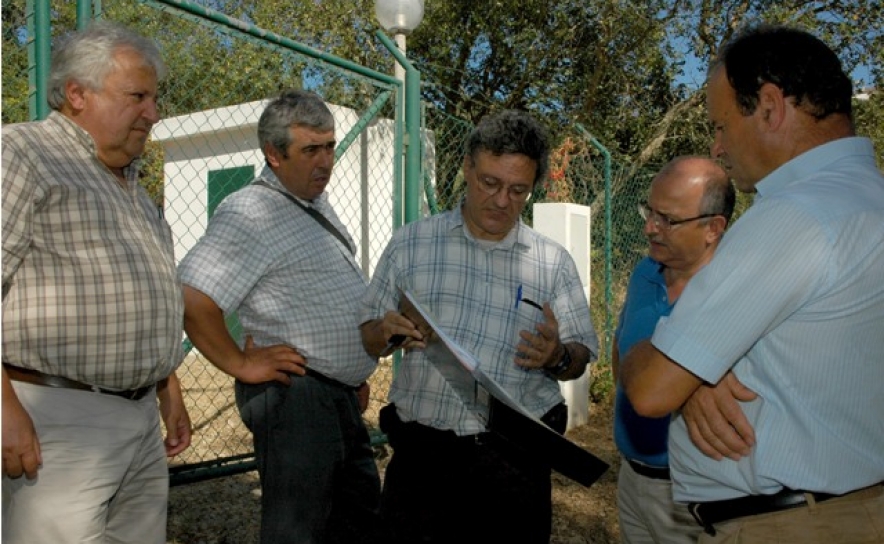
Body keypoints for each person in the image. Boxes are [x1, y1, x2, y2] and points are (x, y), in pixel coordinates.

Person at [621, 24, 884, 544]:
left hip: (792, 525)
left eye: (721, 124)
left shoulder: (793, 215)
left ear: (768, 106)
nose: (718, 147)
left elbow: (650, 389)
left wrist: (674, 368)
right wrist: (695, 373)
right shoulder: (866, 198)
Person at [358, 109, 600, 544]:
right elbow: (369, 338)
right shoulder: (410, 245)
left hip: (514, 465)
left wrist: (558, 356)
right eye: (490, 183)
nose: (502, 200)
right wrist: (386, 331)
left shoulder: (552, 262)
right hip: (422, 462)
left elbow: (579, 358)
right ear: (467, 167)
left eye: (518, 190)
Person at [1, 21, 192, 544]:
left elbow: (148, 296)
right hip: (54, 418)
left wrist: (167, 386)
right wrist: (4, 408)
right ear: (77, 94)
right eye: (137, 96)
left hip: (136, 421)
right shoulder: (23, 153)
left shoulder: (131, 184)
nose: (152, 113)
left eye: (154, 98)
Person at [178, 89, 384, 544]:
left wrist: (349, 374)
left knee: (356, 518)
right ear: (274, 154)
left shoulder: (314, 202)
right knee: (299, 531)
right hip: (297, 399)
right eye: (311, 149)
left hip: (335, 396)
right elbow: (193, 298)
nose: (326, 161)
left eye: (329, 146)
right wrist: (241, 363)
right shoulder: (250, 210)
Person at [612, 156, 734, 544]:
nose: (650, 228)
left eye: (668, 219)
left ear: (713, 228)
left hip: (698, 498)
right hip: (631, 481)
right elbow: (621, 352)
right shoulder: (644, 273)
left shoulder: (737, 295)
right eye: (649, 211)